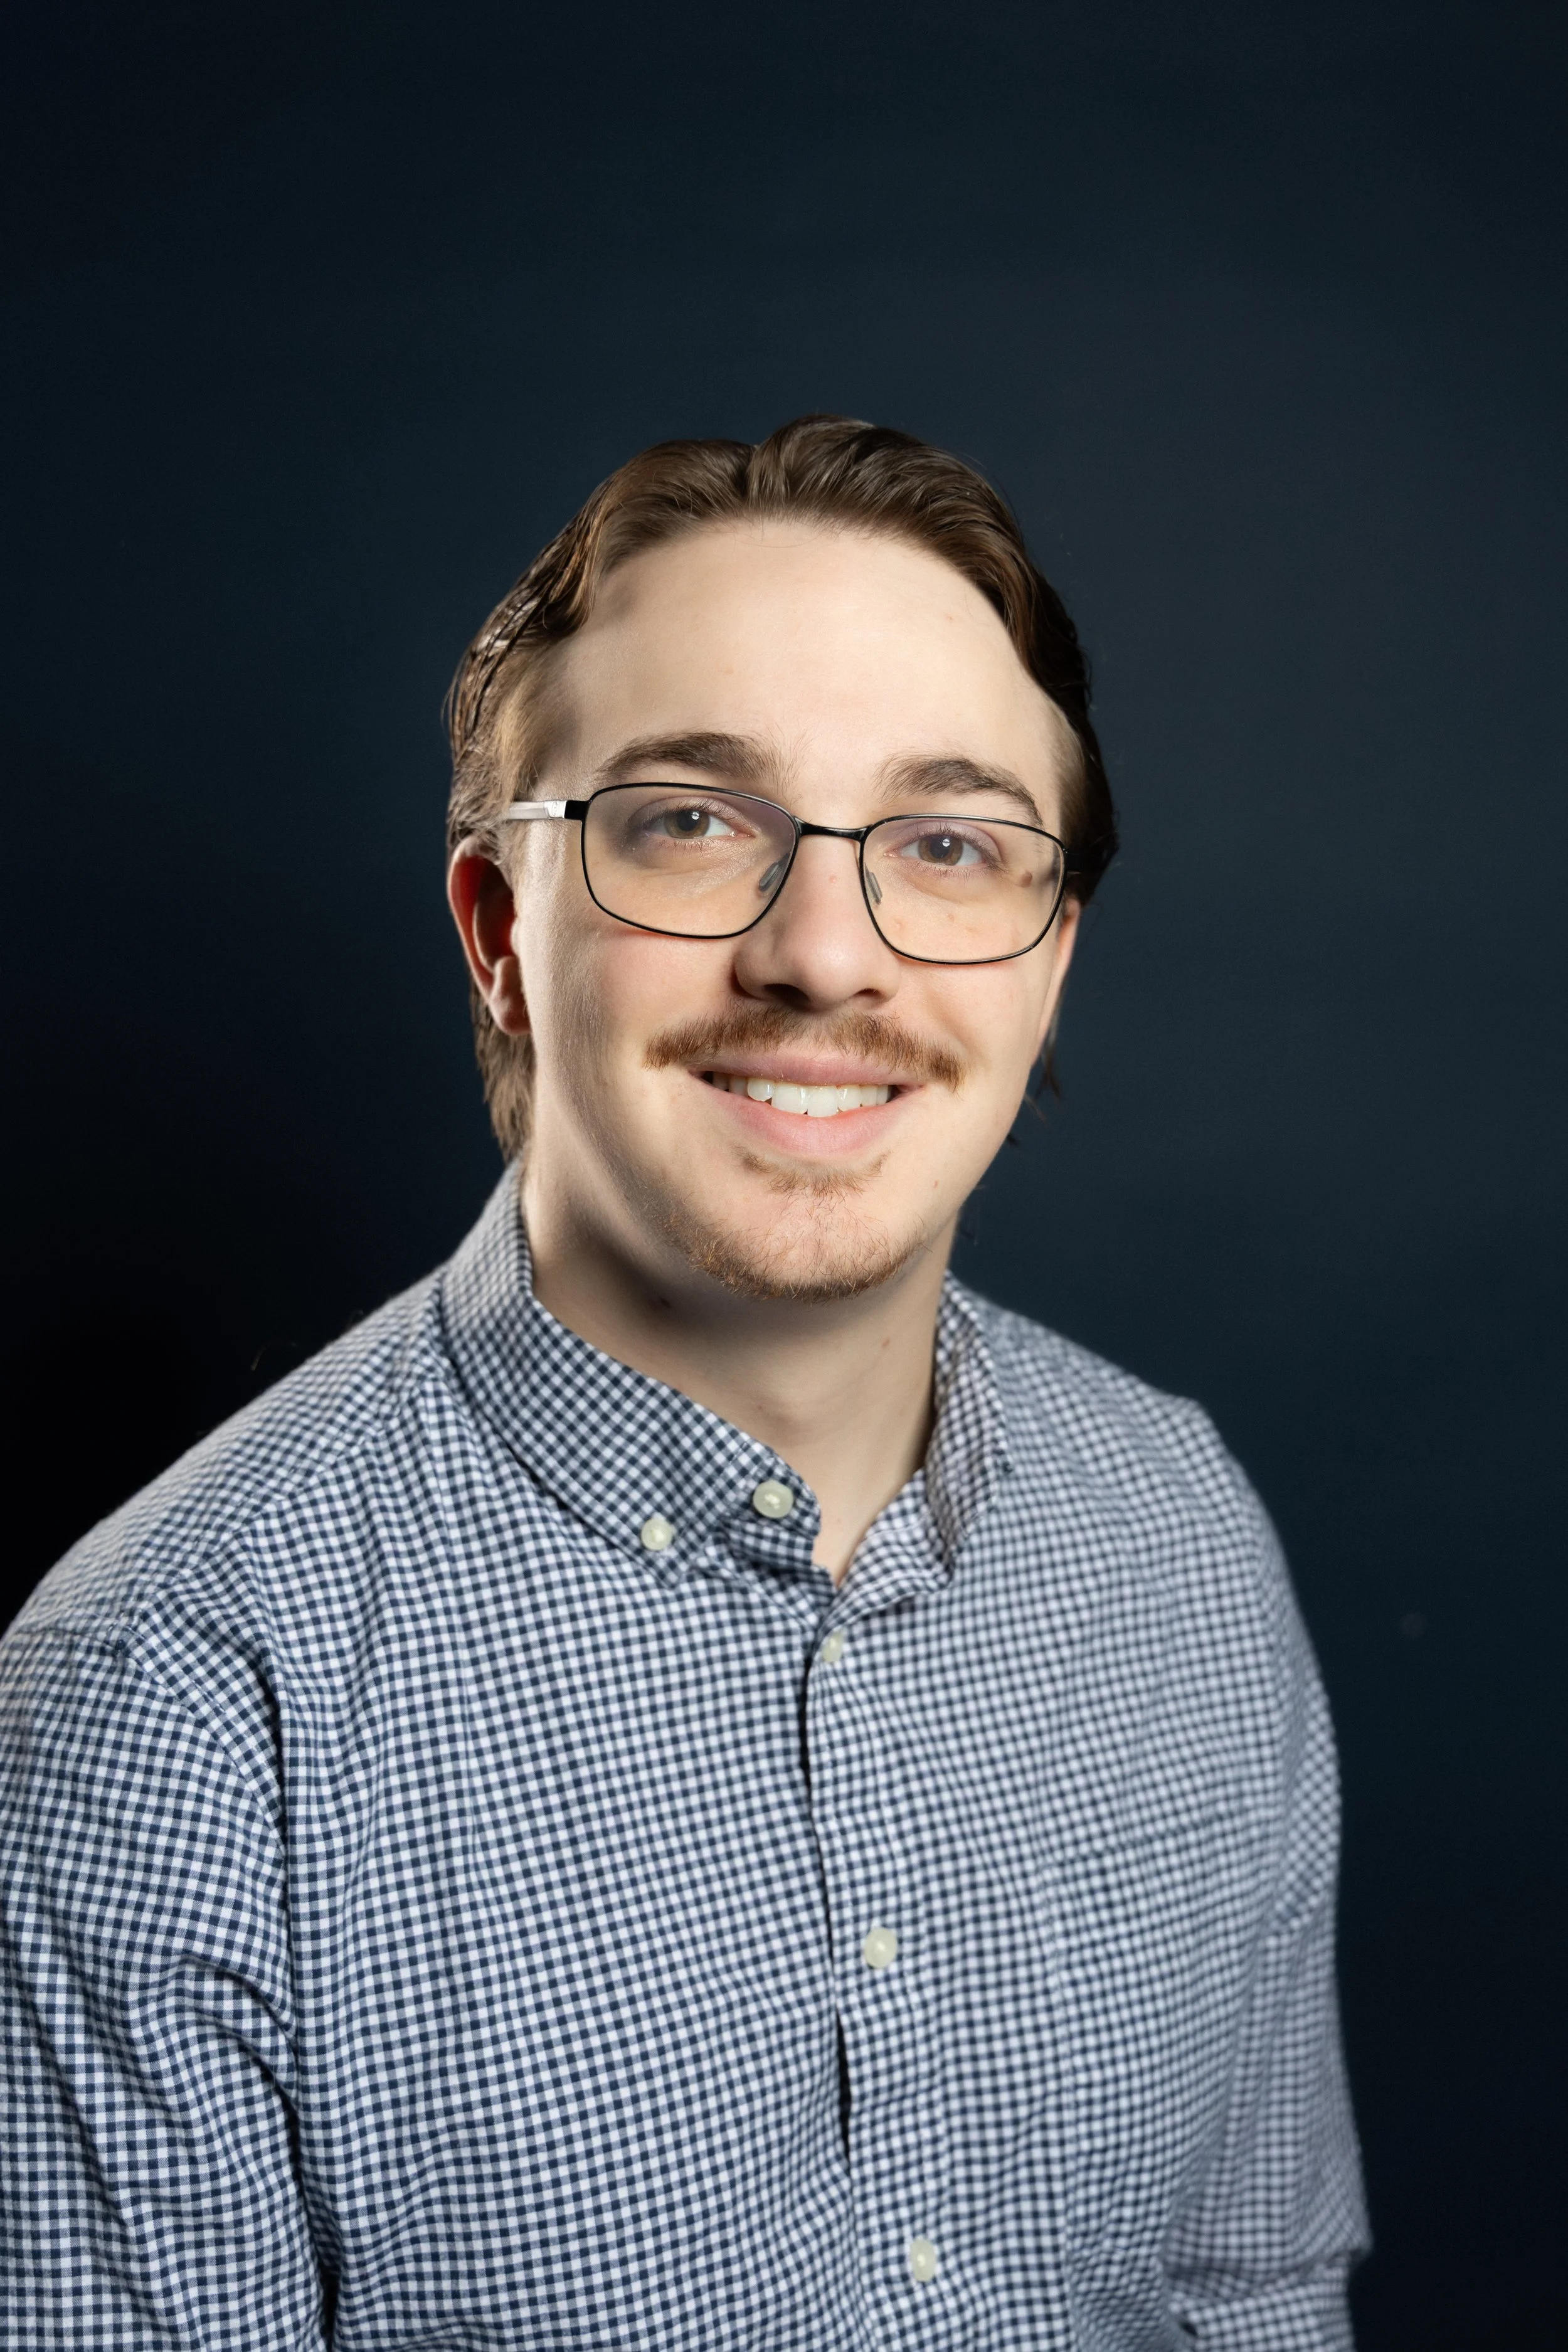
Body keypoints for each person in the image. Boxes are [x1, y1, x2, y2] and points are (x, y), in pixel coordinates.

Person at [1, 416, 1367, 2348]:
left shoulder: (1174, 1522)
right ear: (499, 936)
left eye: (950, 841)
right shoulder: (172, 1705)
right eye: (687, 822)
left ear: (1046, 959)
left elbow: (1250, 2288)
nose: (822, 954)